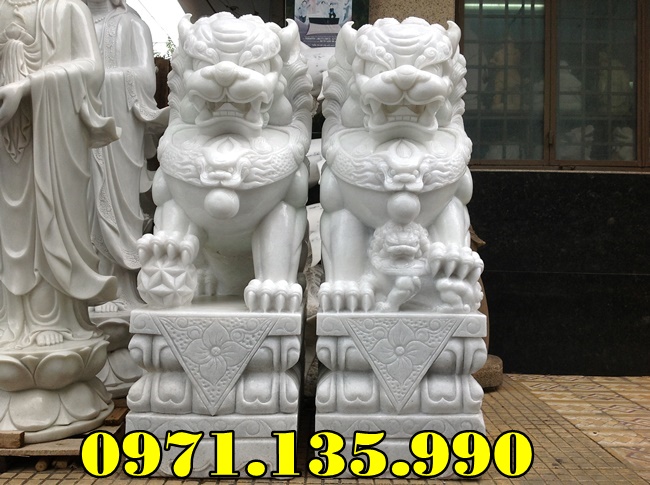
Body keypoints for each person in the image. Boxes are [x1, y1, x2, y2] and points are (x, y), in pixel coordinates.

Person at [0, 0, 118, 348]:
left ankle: (51, 317)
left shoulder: (68, 8)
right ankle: (10, 318)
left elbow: (92, 69)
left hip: (54, 139)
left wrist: (29, 86)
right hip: (7, 138)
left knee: (47, 217)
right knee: (9, 227)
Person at [84, 0, 168, 312]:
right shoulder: (70, 23)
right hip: (78, 127)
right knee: (81, 203)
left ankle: (119, 286)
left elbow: (145, 78)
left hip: (120, 129)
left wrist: (95, 80)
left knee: (119, 200)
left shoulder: (133, 25)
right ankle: (87, 285)